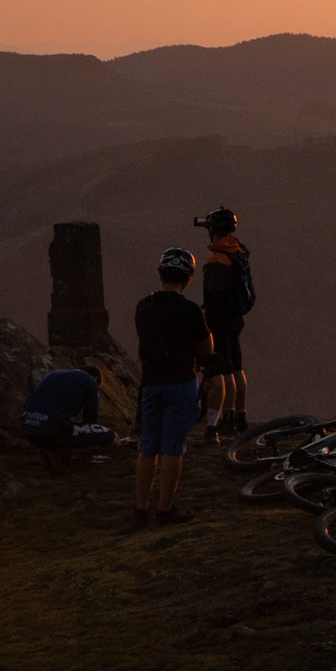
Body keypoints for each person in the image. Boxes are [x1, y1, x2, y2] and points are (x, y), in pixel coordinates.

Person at [133, 247, 213, 526]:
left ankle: (140, 509)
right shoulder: (190, 310)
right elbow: (206, 347)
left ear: (161, 274)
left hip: (151, 384)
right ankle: (165, 510)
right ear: (188, 278)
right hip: (181, 383)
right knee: (173, 448)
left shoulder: (143, 306)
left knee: (148, 448)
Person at [197, 206, 253, 443]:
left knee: (225, 369)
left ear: (214, 231)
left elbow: (214, 297)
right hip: (235, 318)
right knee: (237, 367)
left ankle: (227, 420)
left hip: (220, 321)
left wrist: (207, 323)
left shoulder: (218, 259)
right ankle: (241, 417)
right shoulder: (237, 251)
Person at [20, 365, 120, 467]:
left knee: (64, 429)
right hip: (51, 433)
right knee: (114, 439)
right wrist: (88, 455)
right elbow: (90, 420)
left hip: (28, 430)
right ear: (97, 379)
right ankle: (58, 452)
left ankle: (52, 448)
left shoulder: (53, 374)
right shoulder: (90, 381)